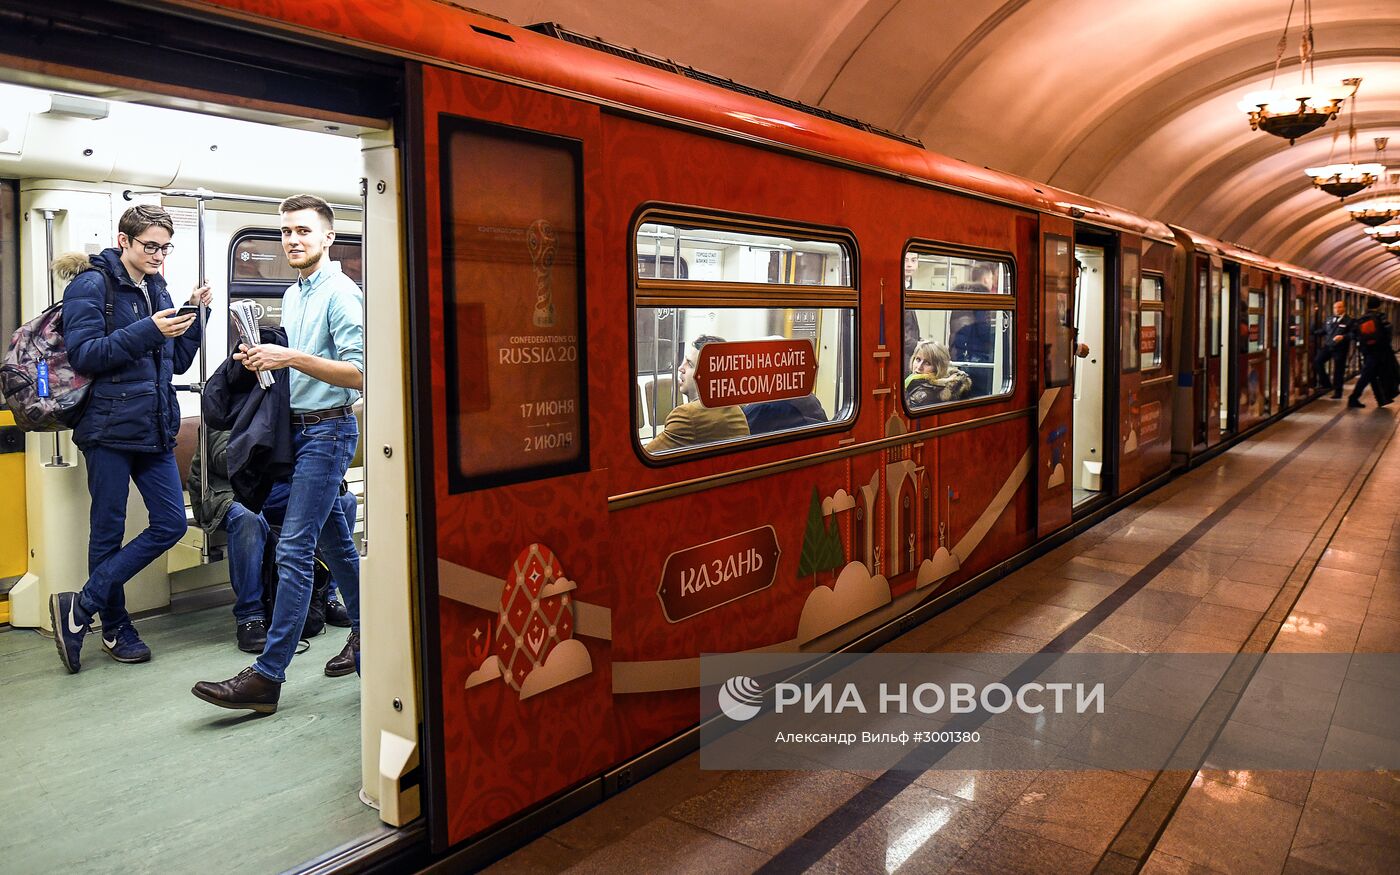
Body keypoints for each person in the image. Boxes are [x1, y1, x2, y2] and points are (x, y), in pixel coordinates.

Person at [192, 194, 362, 713]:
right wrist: (259, 361)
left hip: (329, 431)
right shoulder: (293, 296)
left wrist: (290, 355)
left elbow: (359, 373)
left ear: (328, 238)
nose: (292, 240)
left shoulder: (340, 295)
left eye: (304, 232)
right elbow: (295, 369)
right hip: (300, 432)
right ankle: (373, 636)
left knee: (293, 548)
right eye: (286, 231)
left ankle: (268, 677)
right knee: (336, 548)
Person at [48, 205, 210, 673]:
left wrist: (196, 316)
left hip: (154, 426)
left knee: (170, 524)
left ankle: (81, 606)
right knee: (108, 531)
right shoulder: (92, 285)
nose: (159, 255)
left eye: (165, 247)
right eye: (150, 246)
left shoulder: (156, 288)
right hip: (108, 429)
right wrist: (147, 329)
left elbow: (176, 362)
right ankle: (116, 627)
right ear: (124, 241)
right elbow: (85, 355)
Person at [187, 428, 353, 653]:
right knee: (248, 518)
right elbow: (224, 459)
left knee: (344, 502)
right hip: (230, 490)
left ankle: (326, 596)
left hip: (277, 486)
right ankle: (250, 617)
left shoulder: (285, 402)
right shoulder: (228, 400)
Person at [644, 334, 750, 453]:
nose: (680, 368)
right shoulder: (735, 407)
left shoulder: (687, 415)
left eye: (689, 364)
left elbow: (646, 456)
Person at [1347, 297, 1394, 409]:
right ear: (1379, 306)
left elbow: (1354, 334)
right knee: (1368, 375)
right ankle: (1353, 398)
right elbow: (1388, 331)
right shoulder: (1380, 317)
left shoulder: (1362, 318)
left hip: (1367, 351)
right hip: (1379, 352)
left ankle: (1382, 399)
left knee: (1372, 375)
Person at [904, 340, 971, 408]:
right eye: (918, 359)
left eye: (927, 363)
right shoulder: (914, 381)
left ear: (939, 368)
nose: (919, 367)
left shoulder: (924, 394)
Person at [1313, 299, 1353, 399]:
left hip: (1340, 348)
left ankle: (1338, 392)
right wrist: (1311, 332)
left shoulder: (1350, 320)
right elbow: (1324, 330)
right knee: (1318, 361)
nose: (1337, 309)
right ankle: (1326, 383)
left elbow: (1353, 334)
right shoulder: (1329, 319)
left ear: (1344, 308)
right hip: (1328, 346)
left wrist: (1343, 337)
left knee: (1338, 370)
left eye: (1339, 307)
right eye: (1335, 307)